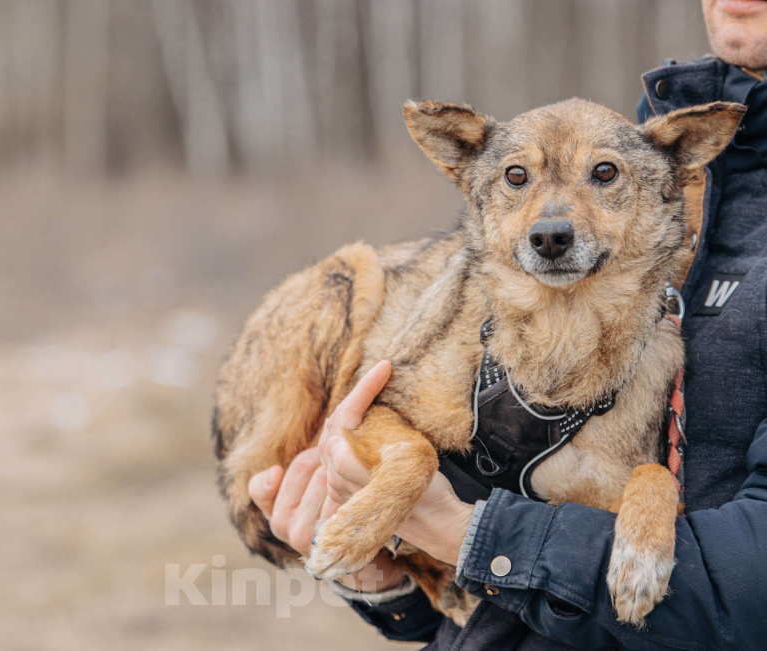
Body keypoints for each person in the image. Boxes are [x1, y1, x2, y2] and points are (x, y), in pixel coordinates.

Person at [248, 1, 767, 648]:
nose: (553, 222)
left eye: (602, 177)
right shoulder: (638, 146)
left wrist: (458, 530)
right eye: (519, 180)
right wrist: (388, 577)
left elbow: (748, 592)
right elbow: (508, 561)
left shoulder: (647, 166)